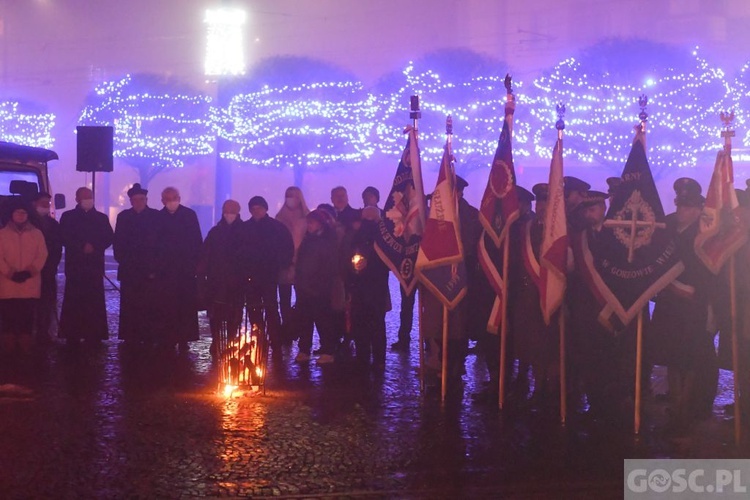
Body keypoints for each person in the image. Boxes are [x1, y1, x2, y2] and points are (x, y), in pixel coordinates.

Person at [650, 178, 716, 433]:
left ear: (699, 208)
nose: (682, 211)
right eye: (680, 205)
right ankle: (676, 402)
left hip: (693, 301)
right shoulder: (666, 224)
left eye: (688, 207)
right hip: (668, 300)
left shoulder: (706, 232)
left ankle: (686, 406)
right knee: (671, 355)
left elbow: (710, 269)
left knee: (691, 356)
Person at [59, 187, 114, 344]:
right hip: (75, 265)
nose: (88, 200)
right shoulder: (68, 217)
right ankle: (72, 333)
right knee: (74, 301)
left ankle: (95, 333)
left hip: (94, 266)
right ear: (77, 199)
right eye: (85, 197)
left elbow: (109, 237)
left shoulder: (101, 218)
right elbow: (63, 236)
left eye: (90, 197)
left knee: (94, 302)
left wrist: (95, 245)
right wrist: (80, 246)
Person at [241, 196, 294, 353]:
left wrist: (281, 265)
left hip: (269, 273)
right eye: (254, 209)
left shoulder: (276, 227)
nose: (256, 211)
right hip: (251, 274)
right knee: (253, 308)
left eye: (259, 208)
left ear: (265, 209)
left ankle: (274, 337)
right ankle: (260, 336)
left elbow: (287, 247)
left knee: (271, 307)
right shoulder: (246, 228)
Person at [113, 183, 162, 345]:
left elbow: (160, 244)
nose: (139, 202)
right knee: (130, 304)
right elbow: (118, 242)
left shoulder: (155, 216)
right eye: (136, 200)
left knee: (149, 304)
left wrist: (155, 266)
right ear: (131, 201)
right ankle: (130, 334)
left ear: (146, 200)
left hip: (150, 268)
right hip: (130, 268)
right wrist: (123, 260)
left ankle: (149, 334)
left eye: (142, 199)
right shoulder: (124, 217)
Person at [344, 207, 390, 369]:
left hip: (375, 287)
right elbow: (348, 257)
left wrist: (368, 265)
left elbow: (387, 262)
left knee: (376, 324)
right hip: (360, 287)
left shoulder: (384, 239)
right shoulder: (357, 237)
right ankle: (365, 356)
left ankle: (377, 359)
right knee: (361, 323)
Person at [197, 200, 246, 355]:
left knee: (234, 313)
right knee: (216, 314)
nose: (229, 214)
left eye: (232, 211)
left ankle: (231, 341)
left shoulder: (244, 232)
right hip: (216, 279)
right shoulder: (215, 232)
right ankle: (216, 340)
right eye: (227, 210)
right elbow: (206, 253)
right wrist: (202, 273)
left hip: (236, 280)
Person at [157, 187, 202, 351]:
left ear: (179, 198)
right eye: (168, 199)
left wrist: (196, 263)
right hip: (166, 270)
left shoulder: (189, 215)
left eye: (174, 198)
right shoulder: (158, 218)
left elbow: (197, 240)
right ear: (163, 201)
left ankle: (185, 337)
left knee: (185, 306)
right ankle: (168, 336)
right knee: (167, 306)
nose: (172, 201)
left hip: (185, 269)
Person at [0, 199, 48, 353]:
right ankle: (8, 347)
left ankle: (25, 348)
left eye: (23, 212)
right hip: (7, 285)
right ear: (11, 215)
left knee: (27, 318)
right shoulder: (2, 234)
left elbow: (42, 255)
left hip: (30, 284)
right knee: (8, 318)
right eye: (17, 212)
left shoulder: (37, 234)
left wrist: (30, 271)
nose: (20, 216)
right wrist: (9, 272)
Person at [294, 209, 338, 364]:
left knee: (323, 319)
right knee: (305, 320)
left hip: (319, 288)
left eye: (311, 223)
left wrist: (319, 283)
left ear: (320, 224)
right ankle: (304, 349)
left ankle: (328, 350)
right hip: (304, 287)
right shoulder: (308, 240)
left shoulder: (327, 241)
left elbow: (329, 266)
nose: (309, 226)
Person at [274, 187, 310, 342]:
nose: (291, 199)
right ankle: (287, 329)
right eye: (288, 196)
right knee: (284, 300)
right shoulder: (279, 218)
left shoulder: (307, 218)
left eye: (293, 196)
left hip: (303, 264)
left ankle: (302, 333)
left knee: (303, 300)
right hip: (284, 264)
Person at [30, 192, 62, 343]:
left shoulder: (53, 225)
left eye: (47, 203)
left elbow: (56, 248)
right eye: (43, 203)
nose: (45, 206)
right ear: (34, 203)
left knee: (46, 302)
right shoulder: (27, 223)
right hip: (29, 270)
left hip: (48, 269)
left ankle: (44, 331)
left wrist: (52, 265)